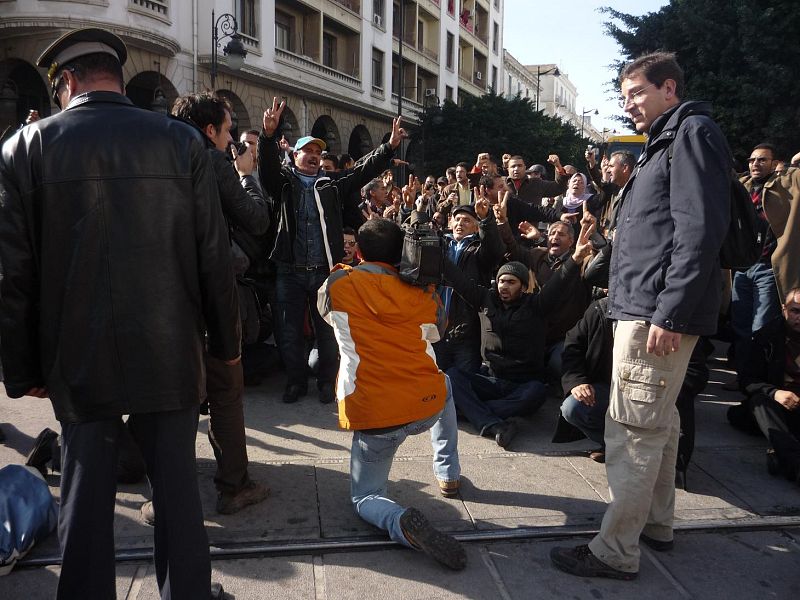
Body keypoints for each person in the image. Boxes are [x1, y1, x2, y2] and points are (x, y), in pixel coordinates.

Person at [0, 28, 238, 599]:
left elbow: (13, 277)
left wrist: (22, 370)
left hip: (78, 352)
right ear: (117, 77)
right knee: (177, 494)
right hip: (168, 346)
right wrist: (226, 346)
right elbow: (214, 257)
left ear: (67, 81)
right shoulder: (181, 142)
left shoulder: (25, 148)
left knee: (84, 496)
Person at [550, 52, 730, 580]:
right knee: (660, 422)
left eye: (636, 93)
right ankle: (656, 523)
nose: (627, 104)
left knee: (632, 430)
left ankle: (614, 550)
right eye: (624, 95)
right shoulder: (665, 140)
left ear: (668, 88)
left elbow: (699, 231)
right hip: (647, 305)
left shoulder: (690, 133)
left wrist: (670, 312)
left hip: (656, 311)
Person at [317, 218, 466, 571]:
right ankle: (448, 472)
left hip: (376, 416)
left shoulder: (338, 284)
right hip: (425, 405)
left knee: (366, 496)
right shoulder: (423, 292)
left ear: (358, 251)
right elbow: (438, 331)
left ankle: (398, 521)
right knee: (444, 383)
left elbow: (326, 312)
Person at [259, 99, 406, 404]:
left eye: (318, 152)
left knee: (328, 331)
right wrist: (268, 136)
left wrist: (388, 148)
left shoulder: (332, 184)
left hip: (324, 271)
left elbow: (363, 170)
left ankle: (327, 381)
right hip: (289, 271)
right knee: (288, 332)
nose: (314, 156)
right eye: (308, 151)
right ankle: (296, 382)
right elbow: (267, 168)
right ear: (295, 155)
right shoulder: (282, 183)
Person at [445, 219, 595, 449]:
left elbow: (559, 282)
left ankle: (471, 412)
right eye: (501, 281)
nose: (504, 286)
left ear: (523, 286)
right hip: (491, 379)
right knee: (453, 377)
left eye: (511, 282)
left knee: (536, 393)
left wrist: (575, 258)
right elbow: (458, 279)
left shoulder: (537, 305)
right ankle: (495, 423)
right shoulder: (485, 299)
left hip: (522, 384)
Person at [728, 287, 800, 484]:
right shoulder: (767, 336)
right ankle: (794, 464)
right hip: (777, 406)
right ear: (784, 309)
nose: (799, 318)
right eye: (795, 311)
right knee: (759, 402)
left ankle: (781, 455)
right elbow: (747, 380)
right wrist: (775, 393)